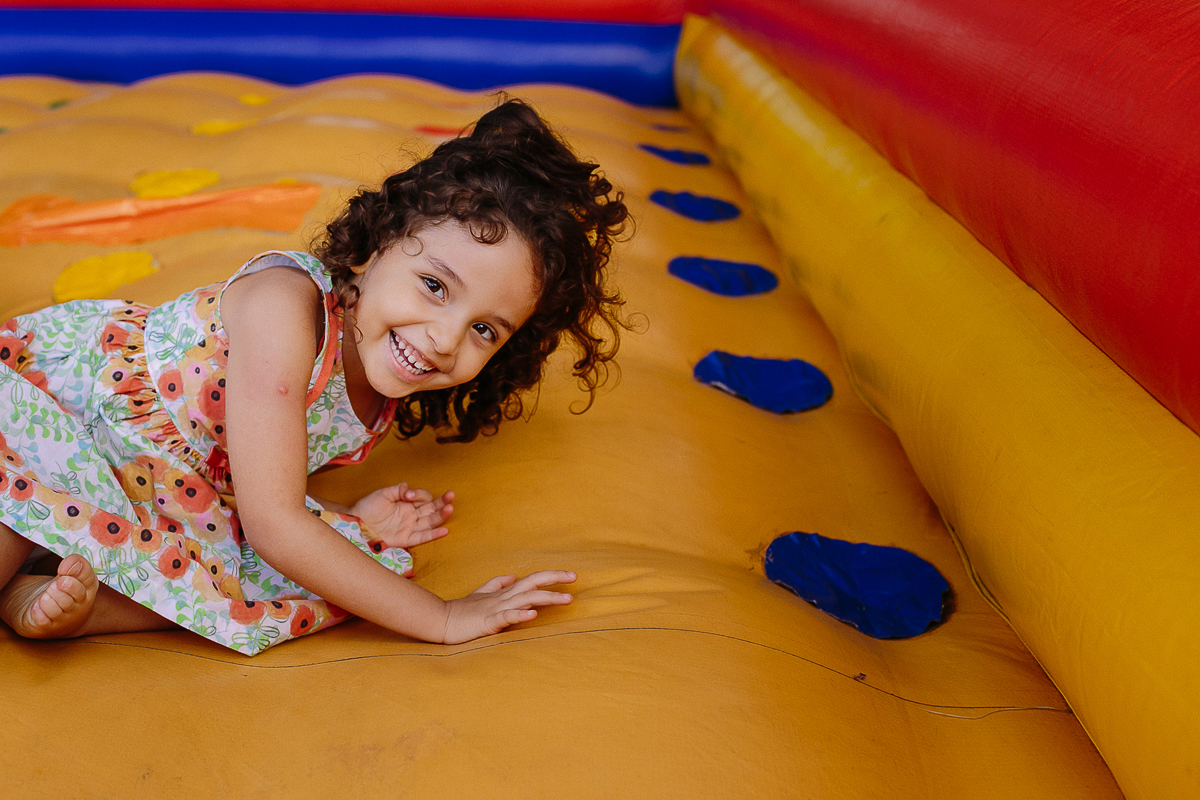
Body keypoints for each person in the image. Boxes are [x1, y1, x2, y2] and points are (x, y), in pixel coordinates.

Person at [0, 98, 630, 655]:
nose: (445, 339)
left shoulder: (383, 383)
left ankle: (44, 594)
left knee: (246, 586)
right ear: (380, 242)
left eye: (485, 330)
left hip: (150, 480)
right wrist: (439, 617)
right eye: (435, 286)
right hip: (64, 410)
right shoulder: (285, 307)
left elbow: (253, 469)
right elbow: (273, 521)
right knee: (22, 496)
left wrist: (347, 517)